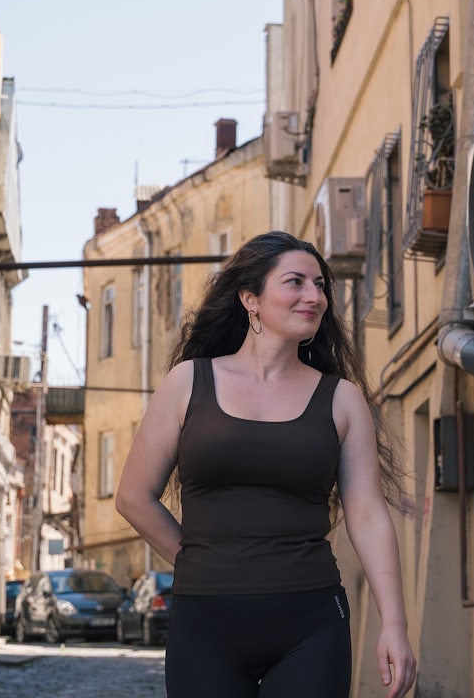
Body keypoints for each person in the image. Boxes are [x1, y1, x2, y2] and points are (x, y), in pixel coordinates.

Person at [115, 231, 416, 697]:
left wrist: (394, 624)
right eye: (296, 282)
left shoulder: (342, 399)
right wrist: (202, 562)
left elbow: (368, 514)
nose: (314, 296)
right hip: (205, 624)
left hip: (311, 623)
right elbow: (134, 497)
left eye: (320, 286)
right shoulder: (187, 383)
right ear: (250, 299)